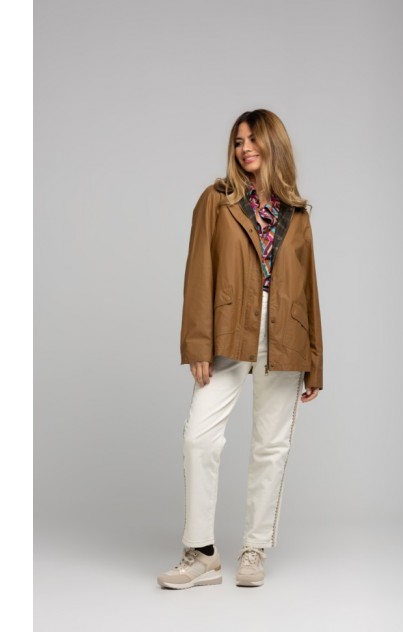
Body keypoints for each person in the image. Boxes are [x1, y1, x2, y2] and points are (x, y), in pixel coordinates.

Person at [157, 108, 323, 590]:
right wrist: (197, 344)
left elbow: (309, 289)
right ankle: (201, 553)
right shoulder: (217, 200)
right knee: (199, 437)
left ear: (274, 144)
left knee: (271, 445)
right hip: (230, 328)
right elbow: (198, 272)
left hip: (286, 334)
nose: (244, 148)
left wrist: (315, 363)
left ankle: (255, 548)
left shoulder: (297, 213)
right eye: (238, 141)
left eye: (253, 139)